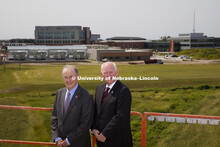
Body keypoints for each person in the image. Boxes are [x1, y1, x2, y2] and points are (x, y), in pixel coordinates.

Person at [51, 65, 94, 147]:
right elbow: (54, 117)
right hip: (61, 143)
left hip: (79, 143)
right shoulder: (59, 93)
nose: (68, 80)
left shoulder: (87, 96)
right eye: (65, 77)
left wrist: (68, 140)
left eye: (71, 77)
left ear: (77, 77)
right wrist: (57, 138)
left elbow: (85, 124)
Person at [92, 62, 133, 147]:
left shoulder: (123, 90)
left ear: (117, 72)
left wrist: (105, 134)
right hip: (101, 140)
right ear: (101, 74)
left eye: (111, 72)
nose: (108, 75)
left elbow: (121, 116)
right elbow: (95, 111)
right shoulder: (99, 88)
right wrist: (94, 129)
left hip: (118, 140)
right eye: (105, 73)